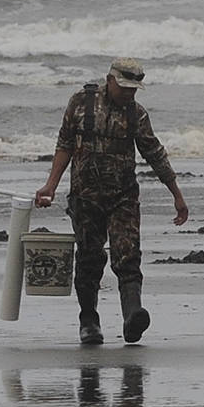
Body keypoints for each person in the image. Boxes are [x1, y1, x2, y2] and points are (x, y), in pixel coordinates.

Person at [34, 58, 189, 345]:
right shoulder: (80, 103)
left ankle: (133, 316)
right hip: (85, 197)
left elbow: (154, 154)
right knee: (90, 258)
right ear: (110, 79)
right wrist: (50, 186)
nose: (130, 93)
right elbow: (65, 144)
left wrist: (176, 194)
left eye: (135, 89)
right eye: (126, 87)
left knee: (128, 255)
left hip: (123, 198)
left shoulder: (137, 114)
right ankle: (89, 320)